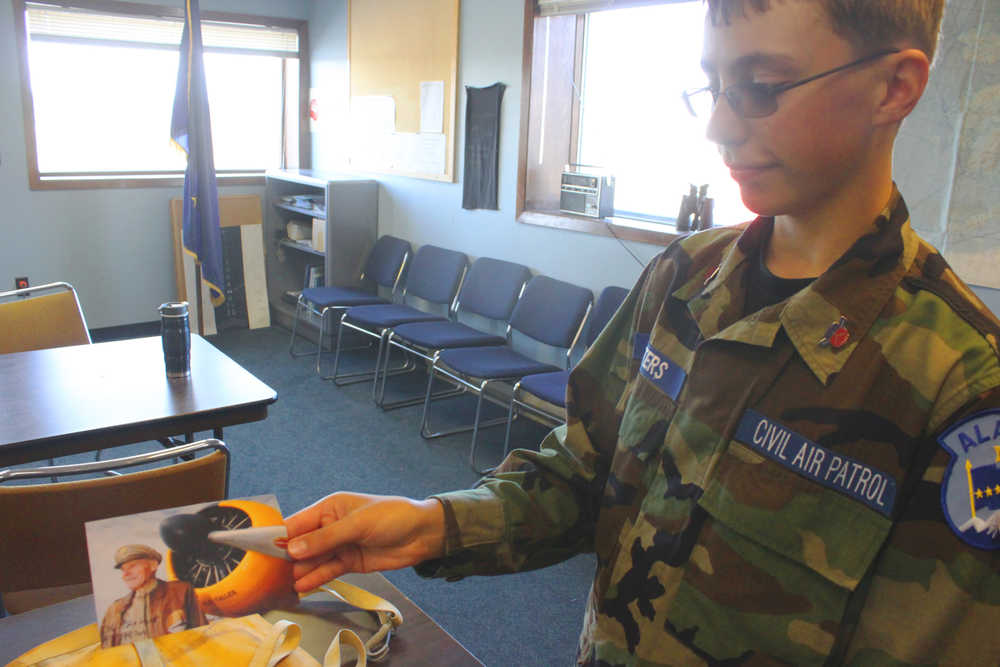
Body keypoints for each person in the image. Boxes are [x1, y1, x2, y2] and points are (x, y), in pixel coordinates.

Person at [285, 1, 1000, 663]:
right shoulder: (685, 277)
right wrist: (429, 522)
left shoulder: (962, 389)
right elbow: (584, 473)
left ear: (894, 87)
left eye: (762, 84)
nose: (718, 125)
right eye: (713, 85)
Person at [99, 544, 207, 648]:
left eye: (132, 566)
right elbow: (107, 652)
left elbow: (203, 636)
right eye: (123, 569)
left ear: (153, 565)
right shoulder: (115, 609)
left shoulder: (180, 592)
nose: (126, 574)